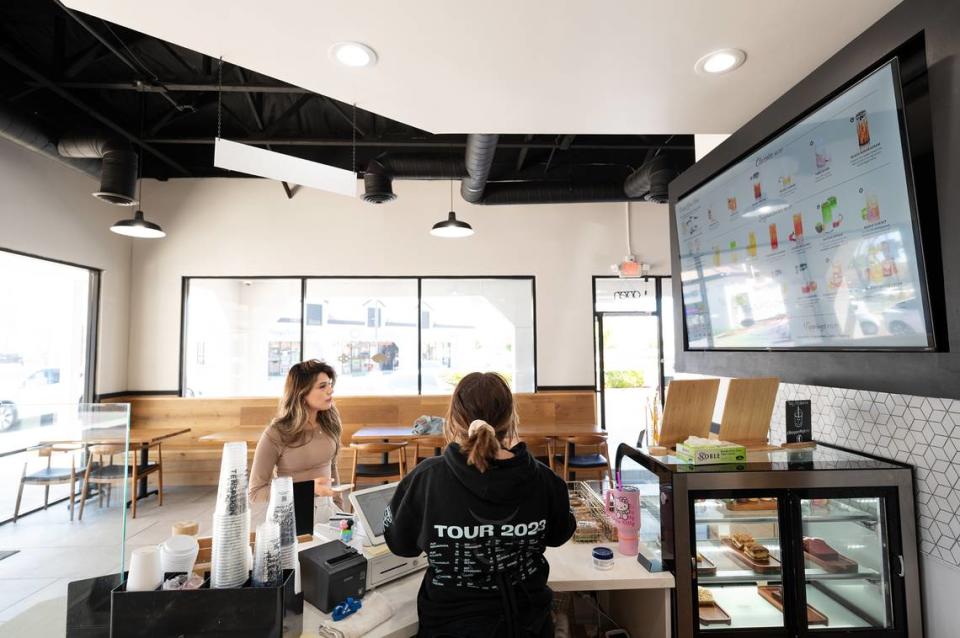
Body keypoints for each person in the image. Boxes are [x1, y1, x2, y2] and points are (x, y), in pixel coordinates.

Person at [384, 372, 576, 638]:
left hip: (448, 626)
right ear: (511, 419)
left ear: (452, 418)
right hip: (528, 624)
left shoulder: (427, 478)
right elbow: (560, 533)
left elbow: (400, 544)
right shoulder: (544, 479)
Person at [249, 359, 342, 503]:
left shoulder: (330, 424)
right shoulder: (276, 433)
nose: (330, 390)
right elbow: (256, 493)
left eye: (330, 384)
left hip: (327, 516)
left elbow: (333, 474)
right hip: (292, 518)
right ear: (302, 393)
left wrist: (339, 515)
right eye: (322, 386)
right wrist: (308, 489)